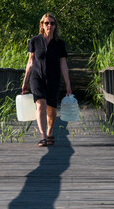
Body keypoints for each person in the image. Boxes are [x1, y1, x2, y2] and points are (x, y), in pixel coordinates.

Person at [22, 13, 72, 147]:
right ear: (42, 25)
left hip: (54, 79)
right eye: (46, 23)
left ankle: (50, 132)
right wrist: (25, 81)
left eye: (52, 23)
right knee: (41, 105)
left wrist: (68, 84)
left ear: (55, 26)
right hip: (36, 77)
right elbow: (30, 62)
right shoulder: (34, 41)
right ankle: (43, 137)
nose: (49, 25)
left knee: (51, 109)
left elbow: (63, 64)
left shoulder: (59, 44)